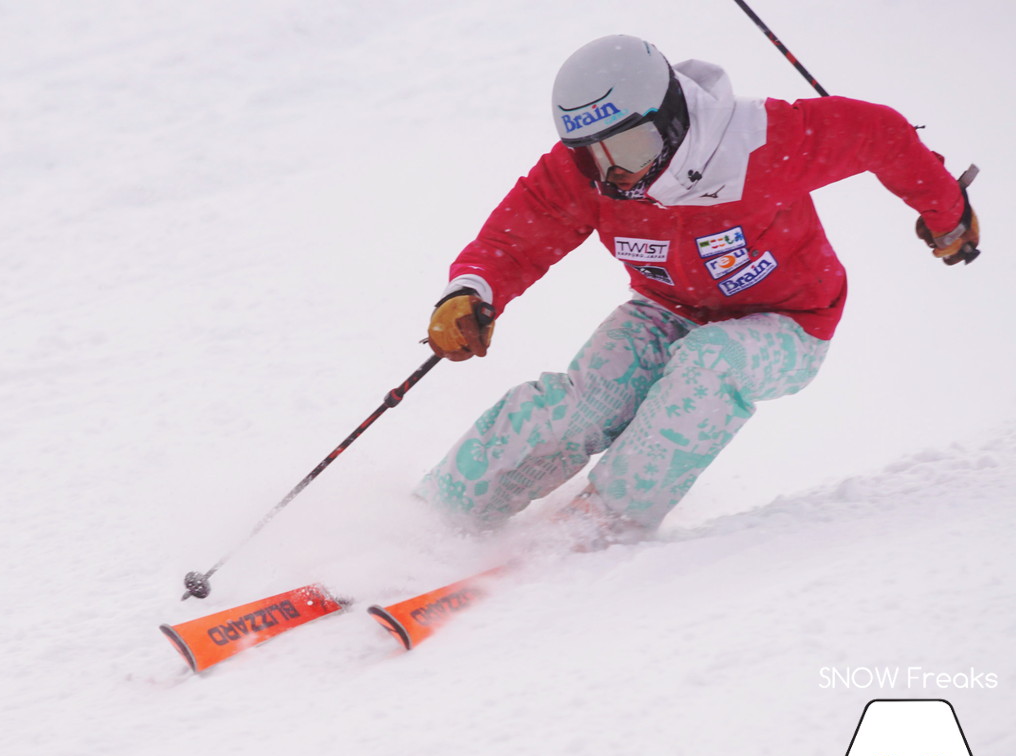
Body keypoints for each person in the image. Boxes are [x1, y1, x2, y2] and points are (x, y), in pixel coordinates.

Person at [415, 34, 979, 549]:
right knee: (578, 406)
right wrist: (471, 290)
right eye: (593, 154)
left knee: (709, 366)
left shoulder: (763, 141)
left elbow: (881, 135)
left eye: (630, 149)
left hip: (790, 322)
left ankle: (602, 525)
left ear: (671, 117)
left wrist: (947, 215)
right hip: (666, 309)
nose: (616, 175)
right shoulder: (588, 174)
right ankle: (438, 518)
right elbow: (521, 232)